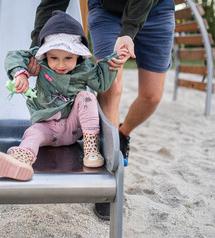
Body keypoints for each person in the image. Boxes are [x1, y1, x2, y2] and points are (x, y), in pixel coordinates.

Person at [29, 0, 175, 220]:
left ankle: (122, 134)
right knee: (110, 86)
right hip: (108, 11)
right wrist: (35, 46)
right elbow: (52, 2)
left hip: (156, 9)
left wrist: (129, 31)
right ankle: (109, 182)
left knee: (151, 97)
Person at [0, 10, 128, 181]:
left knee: (86, 96)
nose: (61, 64)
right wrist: (20, 74)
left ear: (78, 55)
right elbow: (13, 56)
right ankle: (21, 160)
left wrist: (114, 60)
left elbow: (101, 82)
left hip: (73, 128)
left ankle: (91, 150)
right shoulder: (41, 62)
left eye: (68, 58)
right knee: (32, 133)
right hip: (46, 127)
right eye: (54, 57)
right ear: (45, 55)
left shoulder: (85, 69)